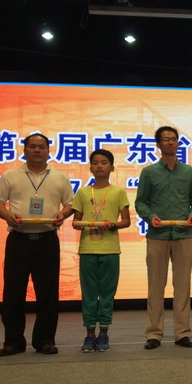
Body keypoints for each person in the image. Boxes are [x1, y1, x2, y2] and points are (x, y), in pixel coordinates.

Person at [0, 133, 74, 356]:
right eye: (33, 146)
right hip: (18, 239)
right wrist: (7, 215)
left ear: (48, 151)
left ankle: (45, 340)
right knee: (13, 292)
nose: (37, 150)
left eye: (42, 147)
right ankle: (13, 341)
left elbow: (70, 204)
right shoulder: (10, 175)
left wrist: (62, 214)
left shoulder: (59, 177)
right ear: (24, 150)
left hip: (47, 240)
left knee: (48, 293)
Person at [135, 126, 192, 349]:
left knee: (182, 286)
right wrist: (150, 216)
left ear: (178, 143)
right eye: (166, 139)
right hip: (157, 235)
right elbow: (140, 202)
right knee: (156, 286)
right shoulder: (149, 172)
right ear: (158, 144)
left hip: (183, 235)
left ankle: (182, 333)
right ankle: (154, 334)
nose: (171, 142)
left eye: (174, 139)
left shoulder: (188, 172)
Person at [72, 149, 131, 352]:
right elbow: (76, 221)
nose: (99, 166)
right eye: (95, 162)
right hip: (87, 249)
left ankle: (104, 333)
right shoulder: (82, 192)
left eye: (104, 162)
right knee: (89, 294)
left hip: (110, 249)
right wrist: (82, 224)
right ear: (90, 168)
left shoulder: (118, 192)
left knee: (107, 294)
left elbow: (126, 221)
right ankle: (89, 334)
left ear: (112, 167)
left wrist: (112, 225)